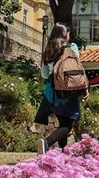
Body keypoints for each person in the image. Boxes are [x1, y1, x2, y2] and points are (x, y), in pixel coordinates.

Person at [35, 23, 88, 154]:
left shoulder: (48, 49)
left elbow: (44, 74)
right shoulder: (72, 47)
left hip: (51, 90)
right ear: (65, 34)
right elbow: (77, 68)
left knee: (62, 121)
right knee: (68, 124)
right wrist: (85, 87)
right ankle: (46, 142)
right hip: (67, 88)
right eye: (68, 33)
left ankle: (63, 154)